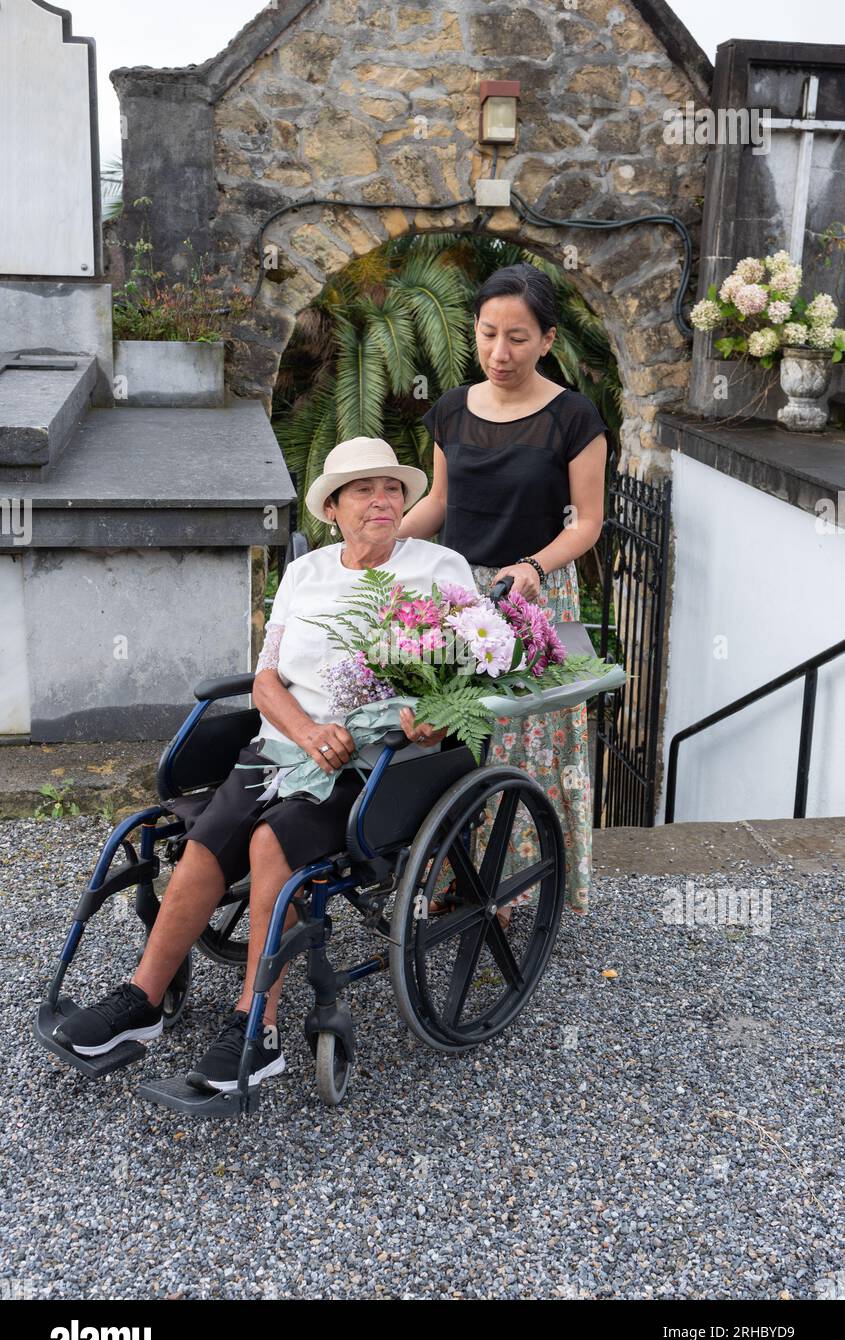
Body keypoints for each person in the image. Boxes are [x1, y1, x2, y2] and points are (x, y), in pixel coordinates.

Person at [54, 439, 478, 1090]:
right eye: (363, 489)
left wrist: (434, 715)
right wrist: (306, 730)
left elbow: (472, 681)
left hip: (377, 769)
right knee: (206, 842)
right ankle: (143, 998)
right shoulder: (305, 575)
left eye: (391, 487)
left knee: (269, 843)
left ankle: (259, 1029)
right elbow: (264, 682)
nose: (382, 499)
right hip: (284, 746)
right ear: (332, 507)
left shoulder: (440, 570)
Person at [398, 263, 608, 915]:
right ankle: (451, 874)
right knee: (444, 738)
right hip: (453, 598)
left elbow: (588, 523)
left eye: (517, 337)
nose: (499, 352)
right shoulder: (452, 410)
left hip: (532, 598)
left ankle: (518, 881)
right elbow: (438, 502)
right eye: (488, 333)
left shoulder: (574, 418)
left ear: (547, 339)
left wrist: (533, 567)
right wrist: (380, 548)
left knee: (522, 744)